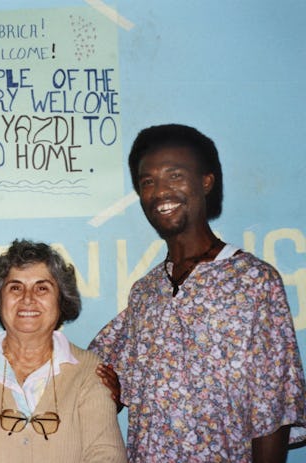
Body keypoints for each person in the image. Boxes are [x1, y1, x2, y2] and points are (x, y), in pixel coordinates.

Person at [89, 124, 306, 462]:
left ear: (206, 182)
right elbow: (89, 373)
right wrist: (0, 348)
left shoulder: (254, 282)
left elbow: (272, 412)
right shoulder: (146, 292)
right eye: (148, 182)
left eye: (175, 176)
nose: (160, 192)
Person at [0, 239, 127, 463]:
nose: (27, 299)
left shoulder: (89, 369)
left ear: (61, 299)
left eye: (42, 288)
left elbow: (106, 454)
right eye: (15, 287)